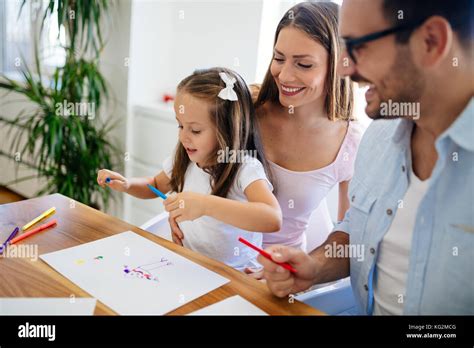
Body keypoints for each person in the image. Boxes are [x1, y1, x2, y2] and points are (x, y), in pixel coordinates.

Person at [259, 0, 474, 315]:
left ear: (432, 42)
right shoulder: (378, 139)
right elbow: (354, 229)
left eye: (359, 46)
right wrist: (315, 266)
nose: (344, 69)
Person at [98, 67, 282, 271]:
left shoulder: (245, 168)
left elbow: (272, 218)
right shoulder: (186, 159)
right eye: (180, 126)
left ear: (227, 130)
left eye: (195, 130)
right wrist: (127, 184)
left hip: (236, 273)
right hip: (191, 265)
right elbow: (154, 184)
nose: (183, 137)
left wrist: (205, 205)